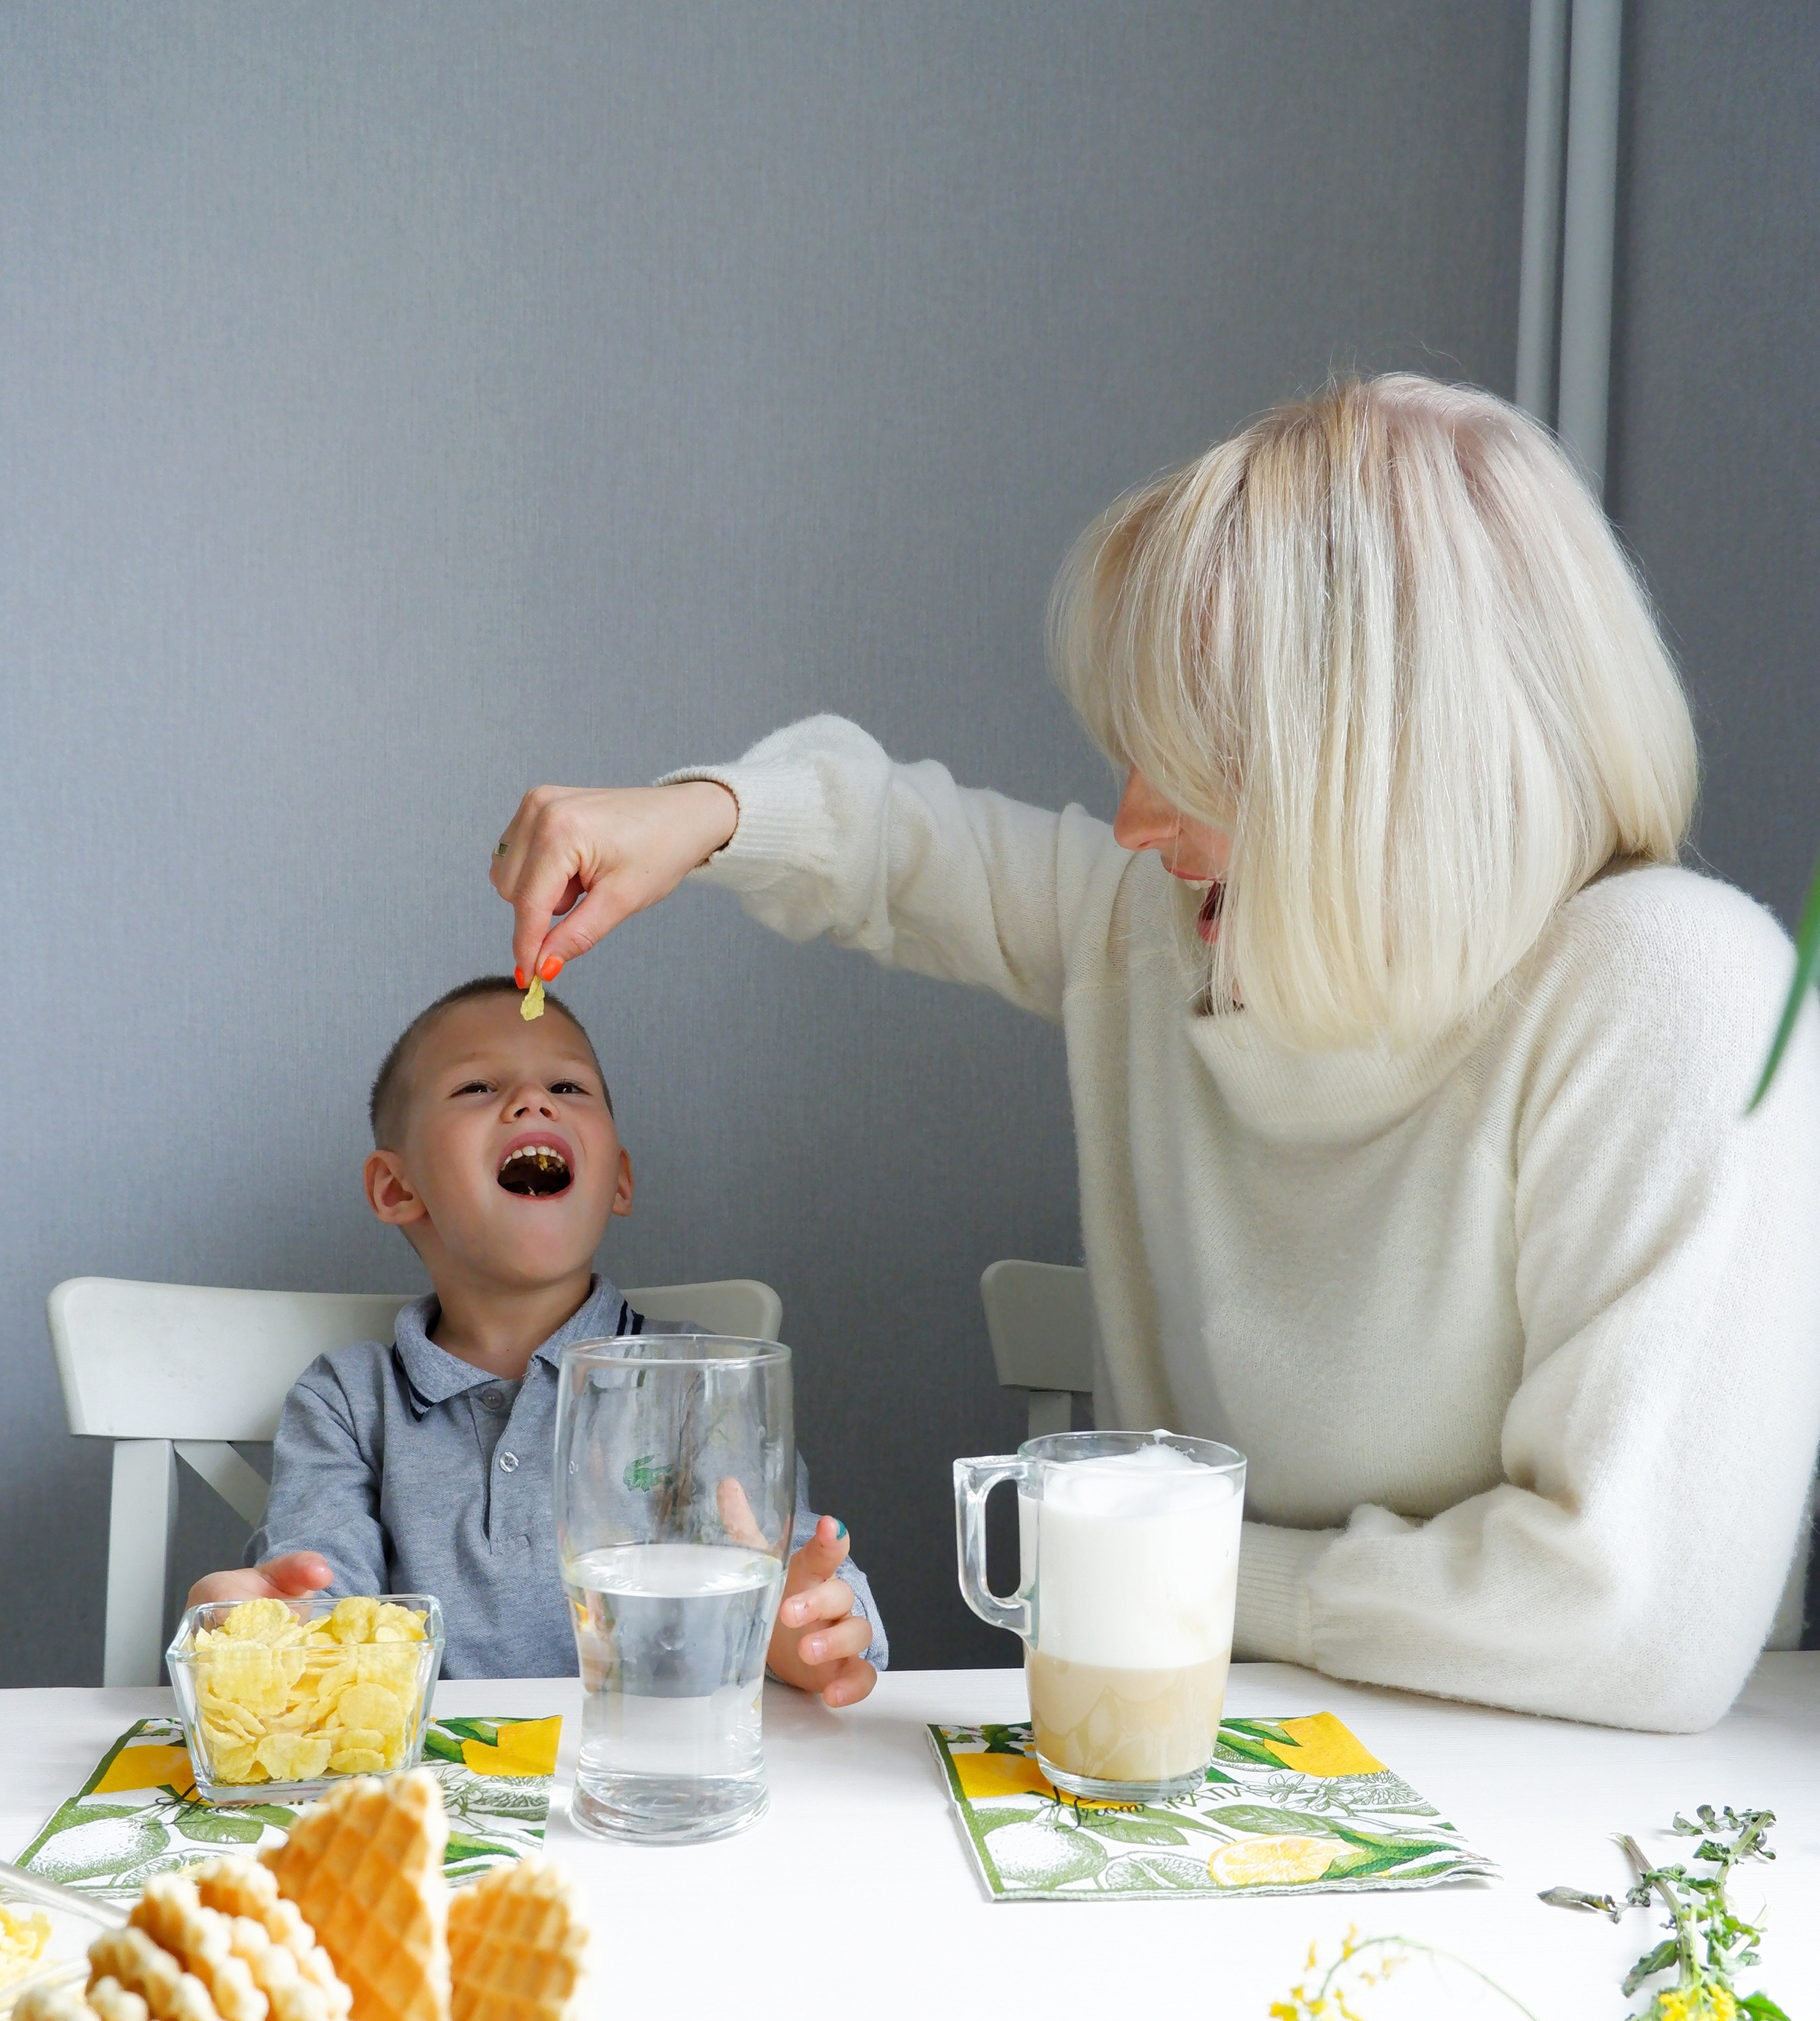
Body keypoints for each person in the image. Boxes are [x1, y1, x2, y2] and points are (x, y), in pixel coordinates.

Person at [489, 373, 1820, 1735]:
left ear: (1384, 766)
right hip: (1204, 1765)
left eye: (1194, 757)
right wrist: (697, 813)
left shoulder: (1670, 991)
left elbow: (1632, 1624)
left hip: (1598, 1823)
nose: (1131, 818)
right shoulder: (1169, 938)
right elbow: (905, 849)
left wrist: (1172, 1570)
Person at [187, 977, 885, 1702]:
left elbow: (790, 1578)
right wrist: (268, 1627)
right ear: (397, 1189)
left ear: (618, 1178)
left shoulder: (695, 1382)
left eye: (567, 1086)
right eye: (479, 1087)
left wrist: (805, 1630)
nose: (533, 1102)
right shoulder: (346, 1402)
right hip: (437, 1792)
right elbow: (320, 1611)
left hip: (648, 1778)